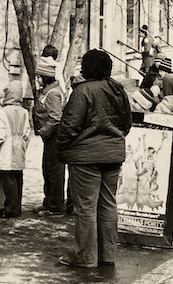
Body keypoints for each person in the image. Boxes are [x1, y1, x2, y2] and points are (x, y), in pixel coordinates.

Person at [55, 49, 133, 268]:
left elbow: (69, 126)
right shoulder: (119, 89)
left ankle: (85, 256)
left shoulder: (82, 92)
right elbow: (127, 123)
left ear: (87, 68)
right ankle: (107, 254)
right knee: (108, 204)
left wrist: (62, 148)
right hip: (113, 153)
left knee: (86, 207)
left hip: (85, 156)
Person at [0, 80, 31, 218]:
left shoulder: (2, 112)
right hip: (20, 147)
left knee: (8, 180)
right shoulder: (24, 112)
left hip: (7, 148)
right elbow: (27, 133)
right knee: (18, 178)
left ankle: (10, 208)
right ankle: (17, 207)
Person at [33, 56, 66, 217]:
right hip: (50, 137)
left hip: (54, 137)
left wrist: (43, 131)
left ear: (43, 78)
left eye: (37, 77)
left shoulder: (52, 94)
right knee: (48, 169)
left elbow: (55, 118)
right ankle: (49, 202)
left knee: (54, 171)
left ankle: (56, 206)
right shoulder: (48, 91)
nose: (35, 79)